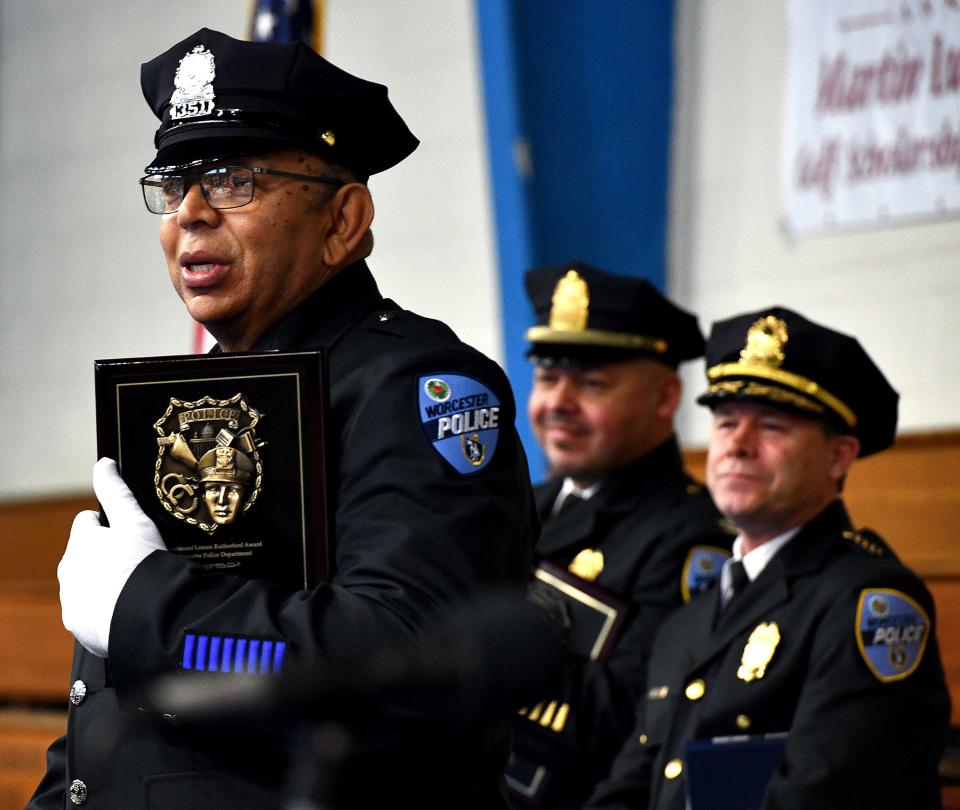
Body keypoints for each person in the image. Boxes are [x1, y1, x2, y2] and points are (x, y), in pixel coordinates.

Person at [30, 28, 537, 810]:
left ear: (344, 221)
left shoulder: (419, 388)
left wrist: (144, 612)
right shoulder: (184, 406)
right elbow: (110, 721)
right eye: (172, 185)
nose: (189, 215)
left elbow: (399, 655)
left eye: (233, 180)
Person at [586, 307, 951, 810]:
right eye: (726, 421)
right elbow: (633, 785)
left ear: (838, 456)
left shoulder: (868, 605)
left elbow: (825, 795)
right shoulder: (688, 623)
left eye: (772, 427)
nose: (737, 444)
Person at [506, 263, 733, 809]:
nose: (558, 402)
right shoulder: (523, 507)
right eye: (546, 377)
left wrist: (478, 644)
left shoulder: (692, 541)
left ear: (663, 398)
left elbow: (629, 722)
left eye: (591, 383)